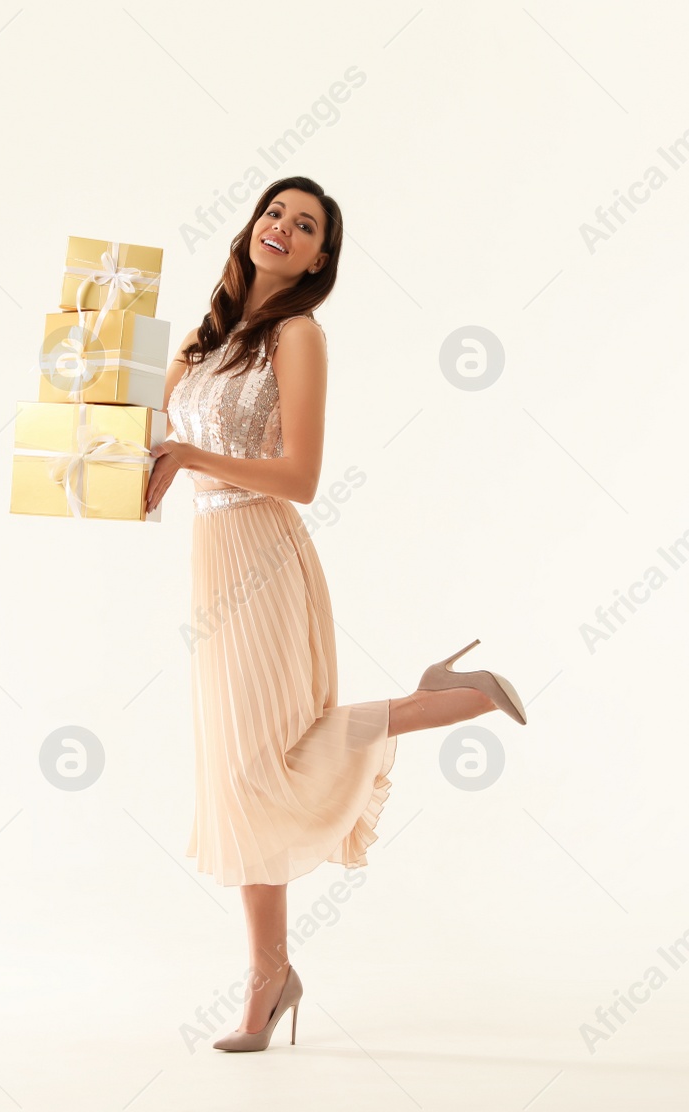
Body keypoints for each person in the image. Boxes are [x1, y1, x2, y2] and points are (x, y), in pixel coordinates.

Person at [145, 176, 527, 1053]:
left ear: (321, 258)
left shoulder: (299, 336)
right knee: (242, 775)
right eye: (275, 212)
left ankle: (449, 699)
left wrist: (194, 452)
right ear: (250, 229)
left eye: (305, 224)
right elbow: (148, 454)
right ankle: (271, 975)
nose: (284, 227)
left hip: (264, 556)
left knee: (258, 767)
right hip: (208, 562)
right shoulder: (205, 344)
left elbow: (302, 476)